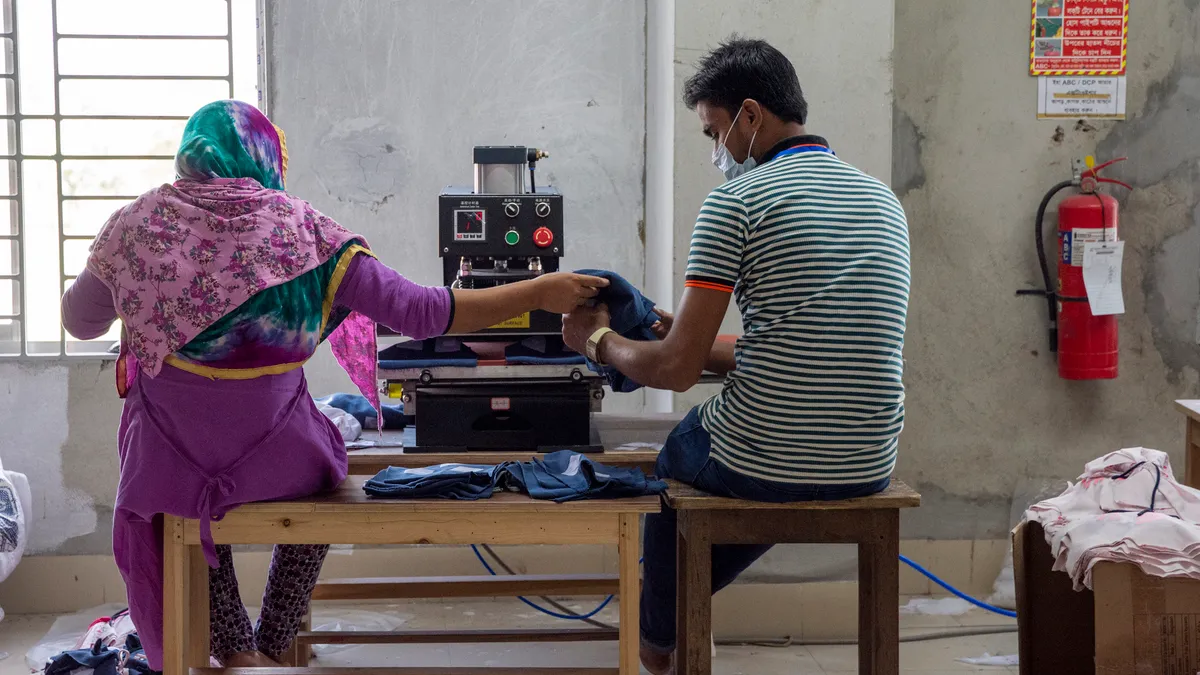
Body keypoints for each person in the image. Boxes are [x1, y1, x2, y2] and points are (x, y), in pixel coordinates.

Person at [61, 99, 608, 671]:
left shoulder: (134, 226)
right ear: (265, 156)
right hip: (277, 458)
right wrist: (539, 291)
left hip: (169, 463)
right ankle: (274, 636)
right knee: (328, 466)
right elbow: (420, 312)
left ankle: (236, 645)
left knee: (193, 495)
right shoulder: (304, 230)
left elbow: (81, 323)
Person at [561, 37, 910, 673]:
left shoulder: (737, 202)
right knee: (776, 439)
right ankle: (678, 610)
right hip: (868, 457)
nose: (715, 151)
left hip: (769, 455)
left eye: (713, 132)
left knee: (669, 463)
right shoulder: (882, 201)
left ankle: (658, 640)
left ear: (750, 116)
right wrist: (675, 328)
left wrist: (598, 343)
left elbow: (675, 371)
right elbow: (794, 345)